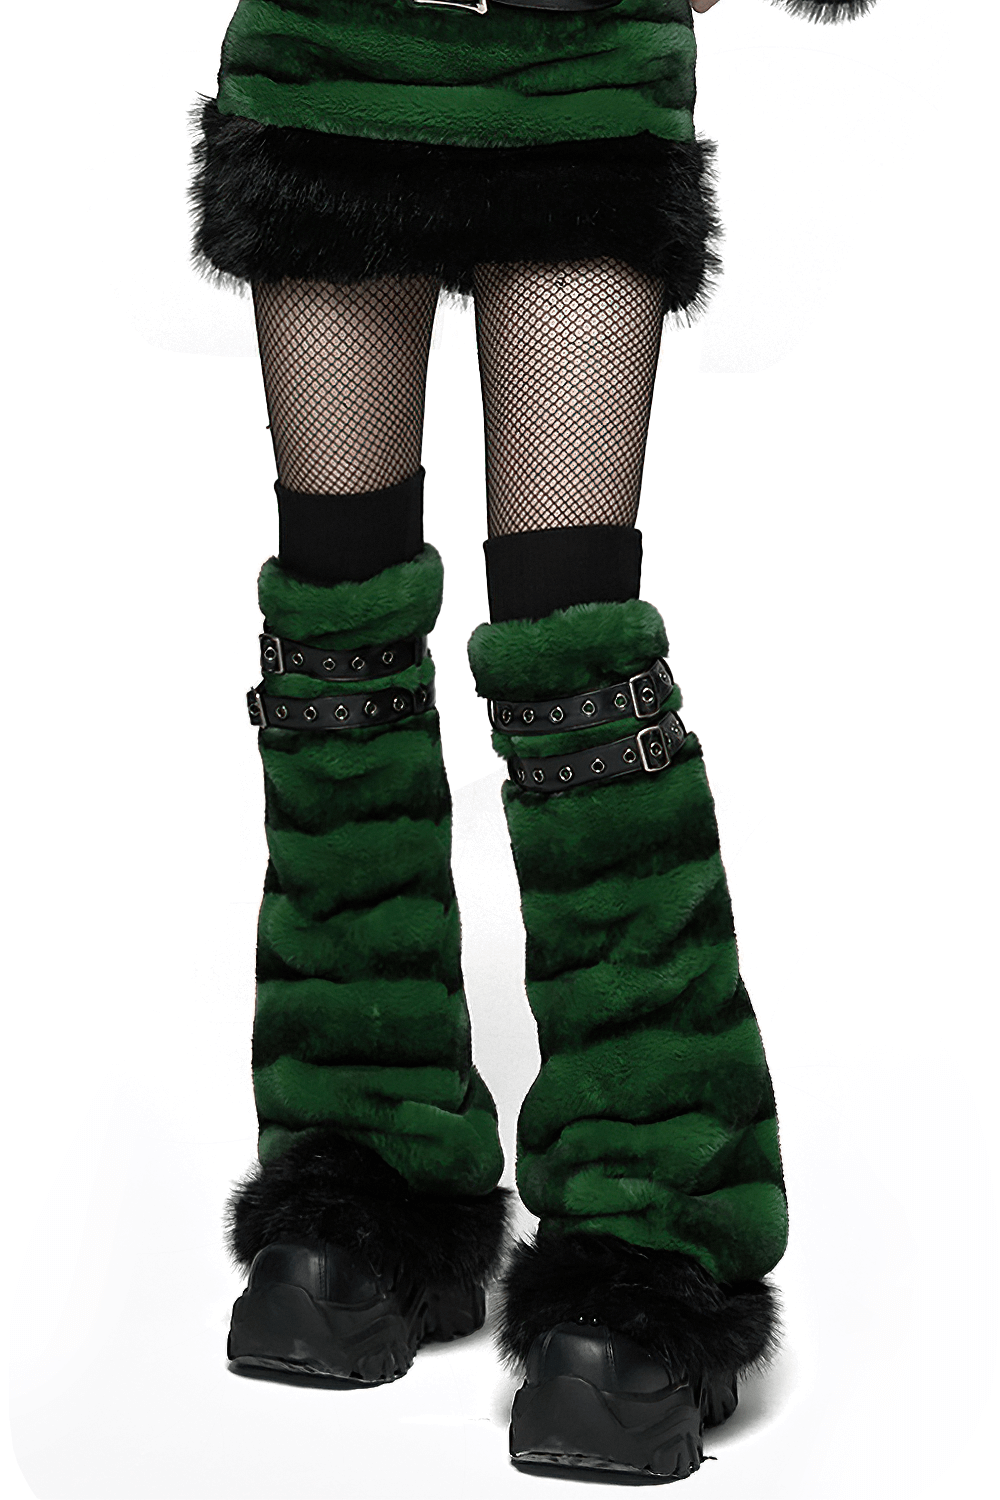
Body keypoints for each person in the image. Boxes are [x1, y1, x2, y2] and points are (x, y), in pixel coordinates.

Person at [192, 0, 876, 1480]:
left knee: (576, 656)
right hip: (337, 61)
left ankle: (655, 1231)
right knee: (335, 634)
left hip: (579, 74)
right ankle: (361, 1172)